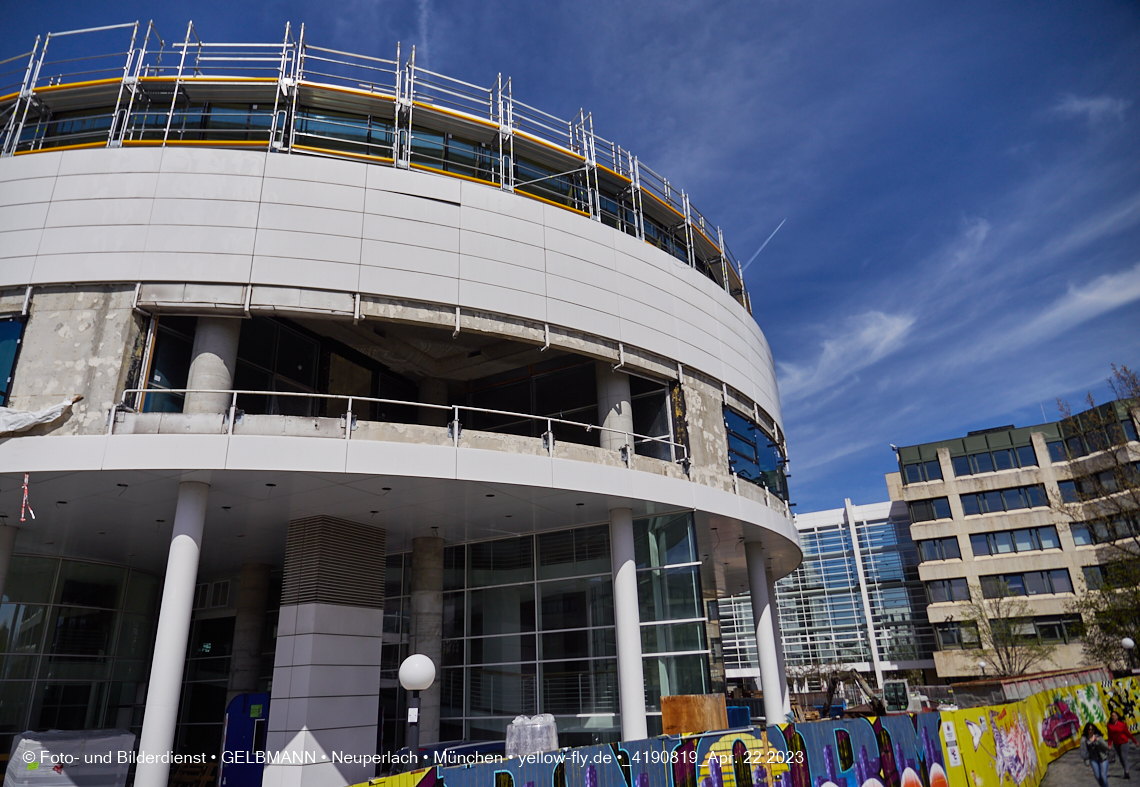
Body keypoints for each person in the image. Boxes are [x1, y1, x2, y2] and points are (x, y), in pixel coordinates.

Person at [1108, 711, 1137, 780]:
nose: (1114, 717)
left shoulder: (1122, 724)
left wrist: (1135, 741)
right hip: (1116, 743)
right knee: (1121, 758)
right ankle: (1125, 769)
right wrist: (1109, 744)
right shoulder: (1109, 725)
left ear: (1117, 717)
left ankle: (1127, 772)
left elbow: (1128, 734)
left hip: (1124, 742)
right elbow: (1110, 735)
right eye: (1112, 716)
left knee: (1124, 757)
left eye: (1115, 716)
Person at [1082, 723, 1113, 787]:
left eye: (1092, 729)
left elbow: (1106, 747)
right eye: (1089, 729)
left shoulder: (1098, 736)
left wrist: (1099, 741)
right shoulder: (1084, 739)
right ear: (1087, 730)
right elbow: (1083, 750)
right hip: (1093, 759)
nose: (1091, 731)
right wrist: (1086, 760)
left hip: (1103, 758)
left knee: (1103, 776)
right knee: (1098, 777)